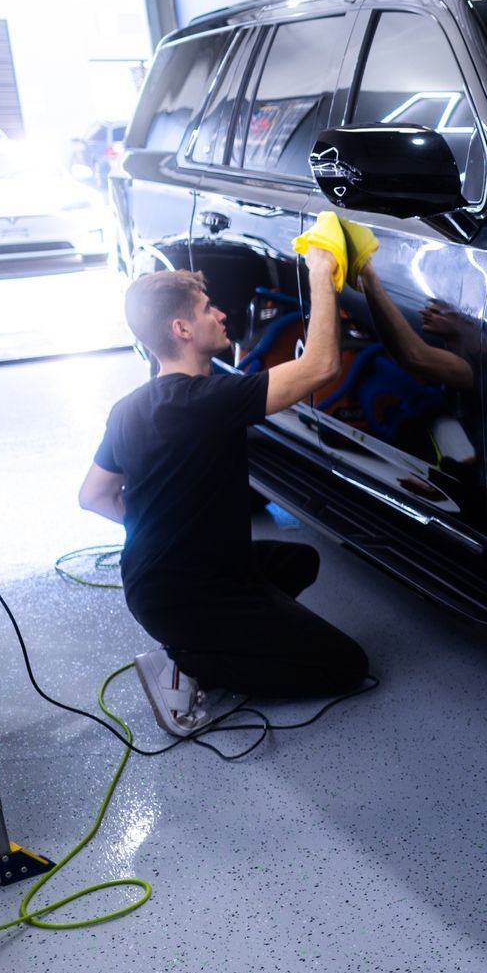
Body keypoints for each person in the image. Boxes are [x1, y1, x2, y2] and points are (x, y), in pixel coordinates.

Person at [78, 248, 369, 735]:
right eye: (207, 308)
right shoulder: (207, 401)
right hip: (187, 597)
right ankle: (191, 662)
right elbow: (321, 365)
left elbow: (94, 495)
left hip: (158, 582)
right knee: (347, 666)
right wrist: (321, 271)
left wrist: (160, 528)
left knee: (300, 562)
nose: (221, 314)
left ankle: (221, 637)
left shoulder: (129, 407)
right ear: (182, 330)